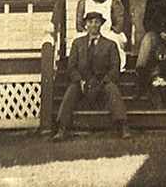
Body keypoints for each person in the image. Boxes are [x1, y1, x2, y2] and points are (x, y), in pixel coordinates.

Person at [54, 10, 130, 141]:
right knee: (72, 90)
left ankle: (122, 126)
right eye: (90, 22)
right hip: (82, 81)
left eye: (96, 22)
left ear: (101, 24)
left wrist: (104, 81)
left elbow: (114, 68)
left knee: (112, 89)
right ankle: (62, 128)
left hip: (102, 81)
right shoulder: (77, 43)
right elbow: (71, 66)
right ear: (85, 25)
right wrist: (79, 80)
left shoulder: (110, 45)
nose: (93, 25)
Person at [73, 0, 127, 68]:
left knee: (114, 41)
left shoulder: (114, 3)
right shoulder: (84, 3)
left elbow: (119, 25)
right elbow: (79, 25)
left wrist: (106, 33)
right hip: (88, 32)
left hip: (107, 32)